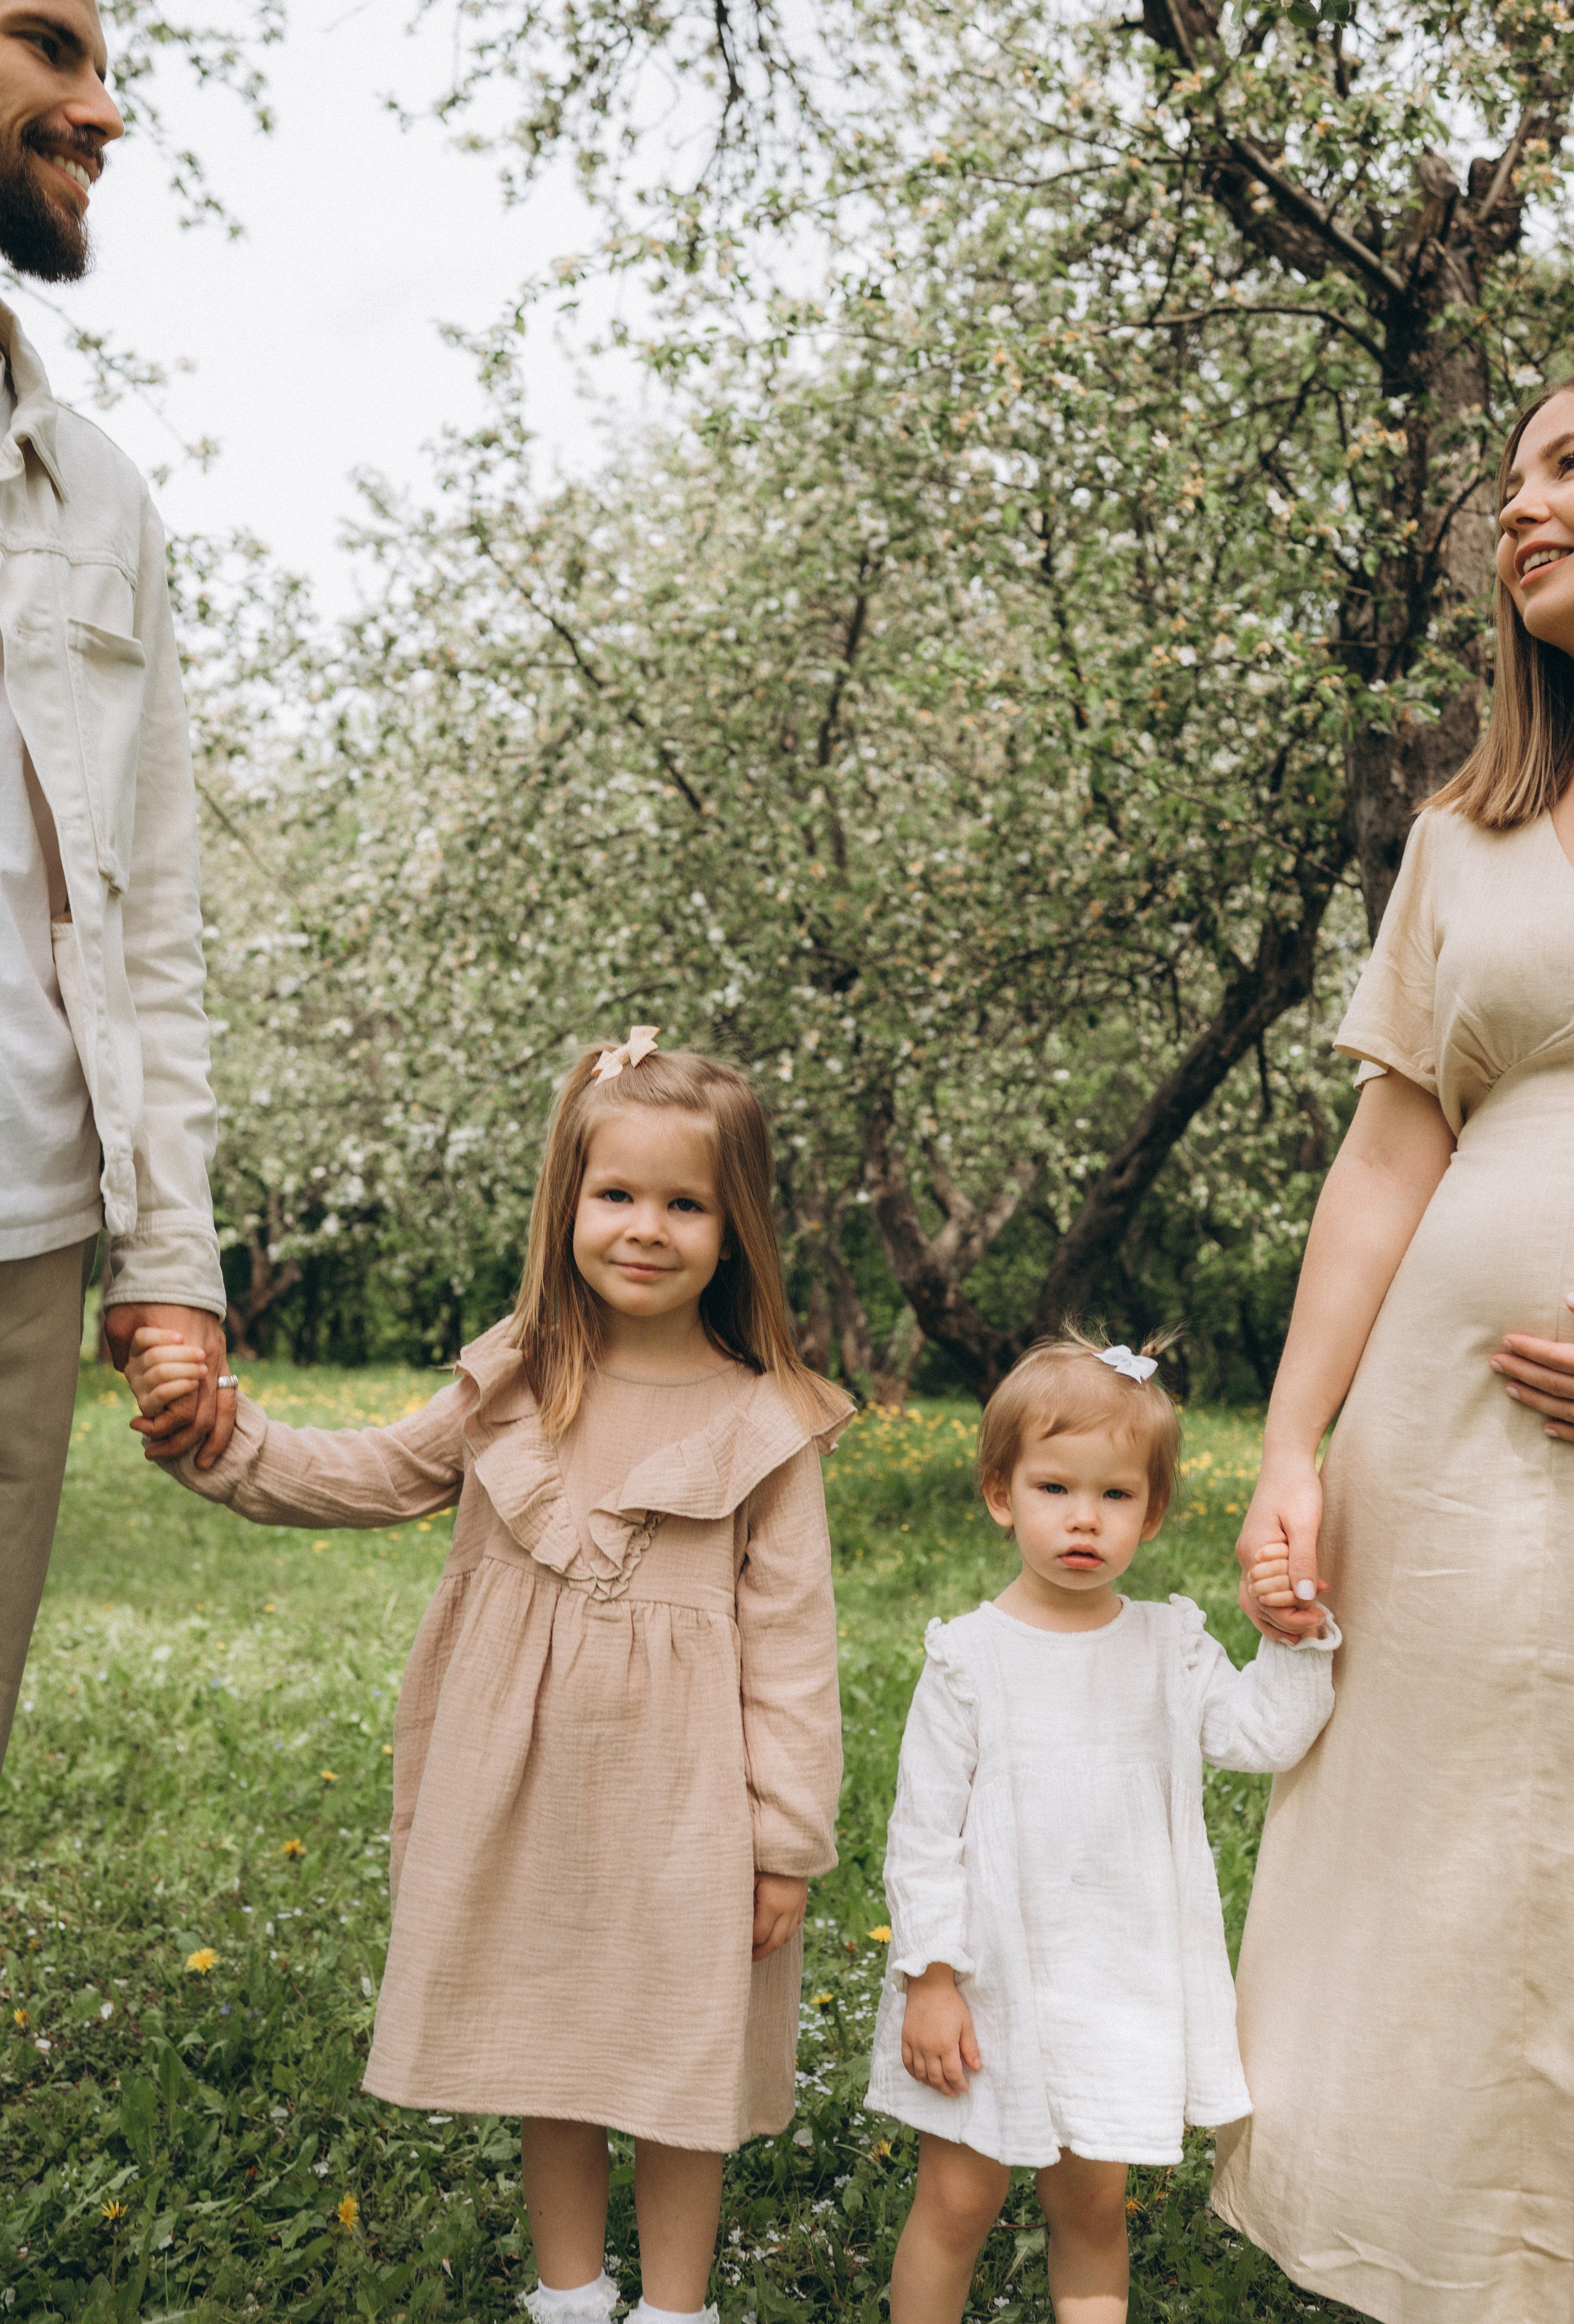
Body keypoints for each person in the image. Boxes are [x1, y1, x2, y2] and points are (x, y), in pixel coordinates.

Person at [124, 1032, 852, 2324]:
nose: (645, 1228)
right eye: (615, 1194)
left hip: (687, 1808)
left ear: (733, 1229)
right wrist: (222, 1444)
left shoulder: (766, 1419)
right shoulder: (518, 1379)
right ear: (566, 1203)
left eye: (684, 1203)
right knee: (554, 2049)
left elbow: (792, 1646)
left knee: (681, 2061)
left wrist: (785, 1841)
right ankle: (569, 2295)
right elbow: (363, 1478)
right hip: (524, 1791)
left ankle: (678, 2312)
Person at [1212, 378, 1574, 2324]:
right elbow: (1388, 1154)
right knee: (1441, 1863)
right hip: (1445, 1450)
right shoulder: (1469, 835)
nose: (1523, 511)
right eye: (1514, 478)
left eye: (1572, 466)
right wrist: (1293, 1441)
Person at [864, 1333, 1337, 2324]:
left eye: (1116, 1496)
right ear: (1002, 1494)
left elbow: (1262, 1736)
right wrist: (932, 1978)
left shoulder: (1171, 1646)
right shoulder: (968, 1661)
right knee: (959, 2199)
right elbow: (922, 1838)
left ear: (1153, 1513)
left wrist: (1292, 1642)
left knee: (1093, 2203)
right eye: (1054, 1489)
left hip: (1116, 1981)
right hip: (985, 1982)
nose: (1085, 1518)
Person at [0, 0, 232, 1773]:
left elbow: (149, 907)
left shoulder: (96, 492)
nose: (105, 108)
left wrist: (169, 1252)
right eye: (42, 43)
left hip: (24, 1227)